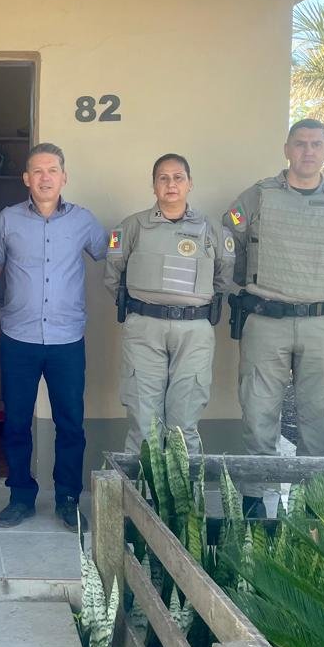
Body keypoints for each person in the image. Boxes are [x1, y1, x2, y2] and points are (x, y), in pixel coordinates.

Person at [227, 119, 324, 517]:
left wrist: (317, 286)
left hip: (321, 322)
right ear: (286, 149)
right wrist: (255, 282)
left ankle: (313, 507)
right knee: (258, 414)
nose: (308, 151)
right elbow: (231, 243)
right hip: (265, 319)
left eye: (316, 144)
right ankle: (255, 503)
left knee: (320, 417)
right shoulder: (257, 196)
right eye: (301, 143)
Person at [0, 143, 108, 529]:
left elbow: (110, 255)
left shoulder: (83, 221)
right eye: (37, 171)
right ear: (26, 178)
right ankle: (20, 496)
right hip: (19, 337)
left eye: (52, 170)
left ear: (64, 177)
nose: (45, 177)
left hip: (67, 339)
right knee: (16, 422)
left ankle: (68, 498)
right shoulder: (8, 219)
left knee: (70, 423)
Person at [105, 153, 234, 456]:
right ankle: (139, 488)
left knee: (183, 426)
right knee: (143, 424)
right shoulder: (131, 227)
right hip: (144, 329)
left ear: (190, 184)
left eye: (178, 178)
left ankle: (183, 488)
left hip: (195, 332)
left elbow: (223, 279)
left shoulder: (213, 230)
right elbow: (112, 277)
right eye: (163, 178)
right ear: (154, 186)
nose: (171, 184)